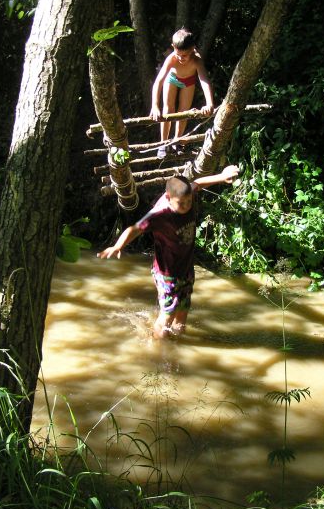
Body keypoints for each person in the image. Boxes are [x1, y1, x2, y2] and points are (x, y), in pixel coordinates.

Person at [97, 165, 239, 339]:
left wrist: (222, 176)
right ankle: (157, 351)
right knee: (167, 316)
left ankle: (177, 347)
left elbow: (197, 183)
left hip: (186, 268)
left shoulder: (187, 193)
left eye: (189, 201)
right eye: (181, 203)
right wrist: (118, 246)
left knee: (183, 311)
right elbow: (135, 229)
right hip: (167, 274)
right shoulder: (160, 214)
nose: (186, 206)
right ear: (168, 197)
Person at [150, 28, 214, 158]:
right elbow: (158, 82)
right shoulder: (171, 59)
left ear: (192, 49)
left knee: (184, 111)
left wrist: (209, 103)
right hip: (172, 79)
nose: (180, 58)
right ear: (173, 47)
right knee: (168, 109)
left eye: (184, 55)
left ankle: (177, 141)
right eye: (177, 53)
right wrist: (155, 106)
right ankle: (163, 142)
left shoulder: (196, 60)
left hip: (188, 82)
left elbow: (204, 81)